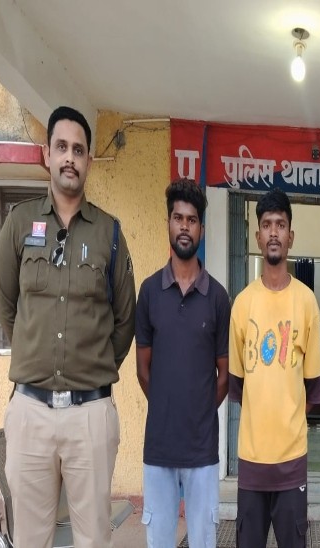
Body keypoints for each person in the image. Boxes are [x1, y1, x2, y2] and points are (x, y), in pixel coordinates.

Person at [0, 106, 136, 548]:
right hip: (30, 413)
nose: (69, 157)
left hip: (89, 415)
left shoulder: (109, 233)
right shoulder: (19, 223)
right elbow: (6, 305)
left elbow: (125, 319)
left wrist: (90, 366)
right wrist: (34, 353)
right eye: (61, 147)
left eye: (78, 149)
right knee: (30, 539)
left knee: (93, 538)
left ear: (89, 159)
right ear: (47, 154)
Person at [135, 179, 230, 547]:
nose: (185, 227)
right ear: (168, 224)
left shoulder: (217, 297)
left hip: (202, 451)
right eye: (178, 218)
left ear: (201, 228)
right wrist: (167, 406)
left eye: (192, 220)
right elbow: (143, 369)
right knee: (159, 541)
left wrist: (198, 412)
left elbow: (224, 374)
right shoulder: (149, 292)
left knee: (203, 540)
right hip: (159, 446)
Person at [228, 188, 320, 548]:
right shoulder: (242, 304)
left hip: (292, 463)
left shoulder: (306, 302)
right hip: (251, 463)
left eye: (280, 225)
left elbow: (312, 389)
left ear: (290, 236)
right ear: (257, 236)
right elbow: (239, 387)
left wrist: (287, 419)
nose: (273, 232)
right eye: (266, 224)